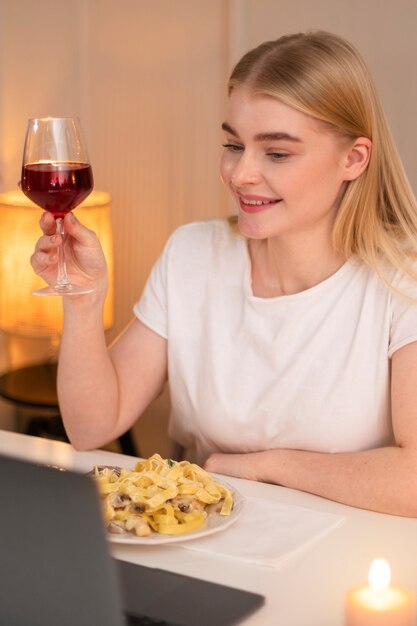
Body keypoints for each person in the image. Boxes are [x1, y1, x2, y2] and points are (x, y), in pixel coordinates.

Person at [31, 30, 417, 517]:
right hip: (201, 546)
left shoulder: (403, 277)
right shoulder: (193, 254)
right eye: (234, 145)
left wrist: (266, 466)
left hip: (346, 562)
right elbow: (91, 427)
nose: (240, 174)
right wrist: (84, 301)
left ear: (353, 159)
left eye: (276, 153)